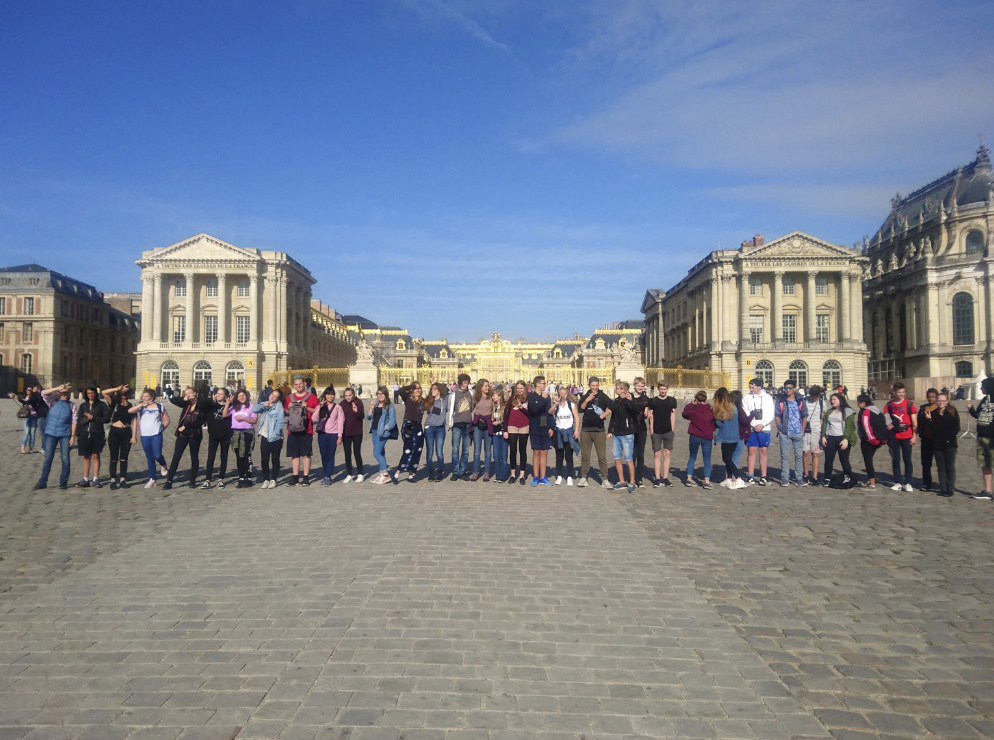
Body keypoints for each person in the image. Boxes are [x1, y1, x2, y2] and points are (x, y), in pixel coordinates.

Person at [32, 383, 77, 491]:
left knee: (65, 458)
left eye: (67, 393)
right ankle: (43, 482)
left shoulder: (72, 405)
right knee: (48, 458)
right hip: (51, 433)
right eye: (63, 393)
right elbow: (43, 393)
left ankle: (63, 482)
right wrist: (58, 388)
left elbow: (74, 421)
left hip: (65, 434)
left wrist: (73, 436)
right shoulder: (52, 402)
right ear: (59, 393)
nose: (65, 395)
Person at [164, 386, 206, 489]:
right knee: (176, 457)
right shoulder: (185, 404)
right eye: (186, 394)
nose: (188, 395)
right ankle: (169, 480)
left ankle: (193, 480)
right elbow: (173, 400)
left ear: (195, 393)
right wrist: (184, 399)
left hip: (194, 434)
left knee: (194, 457)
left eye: (189, 393)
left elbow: (199, 422)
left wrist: (186, 426)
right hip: (182, 434)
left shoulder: (201, 405)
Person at [577, 377, 613, 489]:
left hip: (599, 430)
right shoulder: (584, 396)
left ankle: (605, 479)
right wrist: (587, 399)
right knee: (585, 456)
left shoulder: (602, 396)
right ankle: (583, 477)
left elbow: (613, 406)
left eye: (597, 385)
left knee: (602, 456)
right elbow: (580, 409)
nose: (595, 388)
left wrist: (604, 415)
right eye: (593, 386)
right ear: (589, 385)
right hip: (586, 430)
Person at [129, 388, 170, 489]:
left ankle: (163, 463)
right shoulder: (141, 407)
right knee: (149, 458)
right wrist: (140, 405)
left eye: (147, 396)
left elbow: (167, 420)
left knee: (157, 455)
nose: (145, 398)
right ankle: (152, 479)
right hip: (145, 435)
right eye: (143, 396)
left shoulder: (159, 406)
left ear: (152, 397)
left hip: (156, 434)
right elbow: (130, 411)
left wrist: (161, 429)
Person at [284, 375, 319, 486]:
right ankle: (295, 476)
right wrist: (288, 408)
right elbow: (285, 412)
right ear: (294, 385)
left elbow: (317, 412)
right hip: (292, 429)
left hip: (306, 429)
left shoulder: (312, 397)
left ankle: (306, 476)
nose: (298, 386)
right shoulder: (290, 397)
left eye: (300, 383)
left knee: (306, 454)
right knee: (294, 455)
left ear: (304, 383)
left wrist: (307, 407)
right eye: (296, 384)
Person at [101, 384, 138, 490]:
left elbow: (134, 421)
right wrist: (117, 388)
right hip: (114, 432)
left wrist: (134, 436)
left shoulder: (131, 405)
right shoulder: (114, 403)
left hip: (126, 432)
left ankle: (123, 479)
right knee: (113, 458)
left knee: (124, 458)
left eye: (126, 393)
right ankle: (113, 480)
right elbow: (103, 392)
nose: (124, 395)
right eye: (122, 393)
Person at [883, 382, 918, 492]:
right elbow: (885, 417)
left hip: (907, 435)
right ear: (894, 392)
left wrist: (914, 436)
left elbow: (914, 422)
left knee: (907, 460)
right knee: (895, 460)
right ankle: (898, 482)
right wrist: (888, 425)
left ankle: (908, 482)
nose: (902, 394)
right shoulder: (889, 405)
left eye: (903, 392)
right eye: (899, 392)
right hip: (894, 436)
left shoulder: (909, 405)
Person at [774, 381, 808, 487]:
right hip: (785, 432)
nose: (788, 390)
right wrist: (779, 429)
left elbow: (804, 416)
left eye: (790, 388)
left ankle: (799, 478)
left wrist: (802, 430)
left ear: (794, 388)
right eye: (786, 388)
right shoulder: (780, 400)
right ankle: (785, 478)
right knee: (784, 456)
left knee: (798, 456)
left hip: (798, 432)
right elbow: (777, 415)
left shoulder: (800, 400)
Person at [713, 387, 748, 489]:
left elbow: (719, 423)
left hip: (726, 437)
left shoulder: (724, 409)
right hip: (733, 436)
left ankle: (738, 477)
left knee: (727, 459)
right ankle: (728, 479)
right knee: (727, 458)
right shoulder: (733, 407)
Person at [742, 378, 775, 485]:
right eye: (750, 387)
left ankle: (763, 476)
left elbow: (771, 413)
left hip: (764, 428)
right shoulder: (746, 398)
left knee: (763, 451)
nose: (751, 389)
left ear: (759, 387)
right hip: (751, 428)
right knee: (751, 451)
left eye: (753, 387)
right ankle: (750, 475)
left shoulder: (768, 398)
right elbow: (745, 412)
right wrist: (753, 424)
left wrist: (762, 424)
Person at [608, 380, 638, 492]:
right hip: (616, 433)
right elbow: (613, 416)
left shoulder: (630, 400)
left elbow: (636, 412)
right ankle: (621, 481)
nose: (616, 389)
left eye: (618, 388)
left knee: (629, 459)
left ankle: (632, 482)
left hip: (627, 433)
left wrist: (630, 401)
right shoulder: (616, 401)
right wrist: (610, 430)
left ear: (623, 390)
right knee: (617, 458)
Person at [76, 386, 110, 488]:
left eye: (93, 393)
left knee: (96, 455)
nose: (91, 395)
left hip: (97, 433)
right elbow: (79, 421)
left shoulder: (101, 405)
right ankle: (85, 479)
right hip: (85, 434)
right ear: (86, 394)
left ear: (96, 393)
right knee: (86, 456)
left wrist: (93, 418)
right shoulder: (83, 406)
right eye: (89, 393)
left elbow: (107, 419)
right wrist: (78, 434)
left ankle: (96, 478)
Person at [820, 393, 856, 486]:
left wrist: (846, 439)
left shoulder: (848, 411)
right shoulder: (829, 411)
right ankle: (827, 478)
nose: (832, 401)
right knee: (828, 459)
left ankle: (848, 476)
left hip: (842, 437)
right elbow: (825, 424)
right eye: (831, 400)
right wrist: (823, 436)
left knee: (844, 459)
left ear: (840, 400)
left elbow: (849, 427)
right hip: (831, 437)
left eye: (834, 399)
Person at [967, 377, 994, 500]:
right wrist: (971, 409)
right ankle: (988, 491)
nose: (981, 388)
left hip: (992, 437)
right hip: (982, 437)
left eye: (982, 386)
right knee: (985, 464)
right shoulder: (984, 399)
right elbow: (978, 415)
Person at [253, 388, 285, 488]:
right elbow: (254, 409)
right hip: (264, 436)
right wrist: (264, 404)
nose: (272, 397)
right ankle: (266, 479)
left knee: (275, 458)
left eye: (275, 396)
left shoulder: (279, 407)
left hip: (276, 437)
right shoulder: (265, 404)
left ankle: (273, 479)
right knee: (264, 459)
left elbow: (280, 422)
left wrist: (275, 435)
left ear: (278, 399)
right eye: (272, 394)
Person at [647, 381, 677, 488]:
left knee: (667, 454)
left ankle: (665, 477)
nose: (663, 391)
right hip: (656, 431)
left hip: (668, 431)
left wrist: (672, 429)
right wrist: (651, 430)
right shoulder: (653, 401)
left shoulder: (671, 400)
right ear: (658, 389)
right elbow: (651, 416)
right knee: (657, 455)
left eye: (664, 389)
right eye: (661, 389)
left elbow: (673, 415)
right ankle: (657, 478)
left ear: (667, 389)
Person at [928, 393, 959, 497]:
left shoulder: (952, 412)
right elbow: (933, 429)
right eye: (939, 400)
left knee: (950, 466)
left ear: (947, 401)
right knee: (941, 467)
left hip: (950, 445)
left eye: (943, 400)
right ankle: (943, 488)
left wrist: (948, 439)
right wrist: (930, 420)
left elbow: (956, 428)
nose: (941, 402)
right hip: (937, 445)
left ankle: (950, 488)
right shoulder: (934, 413)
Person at [394, 382, 426, 483]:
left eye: (419, 388)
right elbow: (401, 390)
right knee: (408, 449)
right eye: (415, 389)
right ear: (412, 390)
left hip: (418, 426)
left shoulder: (423, 401)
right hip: (408, 425)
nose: (417, 390)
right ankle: (397, 474)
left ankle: (411, 475)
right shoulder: (407, 398)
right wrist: (411, 386)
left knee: (417, 449)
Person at [682, 389, 715, 489]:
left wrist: (691, 404)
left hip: (695, 435)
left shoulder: (693, 409)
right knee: (707, 459)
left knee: (692, 456)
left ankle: (689, 478)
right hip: (707, 436)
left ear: (696, 399)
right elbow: (715, 421)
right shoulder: (710, 409)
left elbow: (684, 414)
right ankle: (706, 480)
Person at [200, 387, 232, 489]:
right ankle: (207, 479)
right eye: (217, 393)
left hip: (225, 435)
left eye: (221, 394)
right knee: (210, 457)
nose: (218, 395)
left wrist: (228, 403)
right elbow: (201, 404)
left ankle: (221, 479)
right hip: (213, 435)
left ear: (226, 396)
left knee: (224, 457)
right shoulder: (211, 405)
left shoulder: (230, 406)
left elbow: (228, 417)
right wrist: (211, 399)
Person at [312, 386, 343, 486]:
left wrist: (340, 436)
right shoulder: (321, 407)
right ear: (325, 395)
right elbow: (314, 419)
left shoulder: (338, 407)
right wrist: (319, 407)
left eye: (332, 394)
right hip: (322, 434)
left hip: (333, 434)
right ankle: (326, 474)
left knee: (330, 455)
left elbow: (340, 422)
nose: (330, 396)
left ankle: (327, 476)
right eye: (328, 394)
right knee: (323, 455)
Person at [856, 394, 888, 488]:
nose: (858, 404)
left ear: (864, 403)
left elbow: (866, 427)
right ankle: (870, 479)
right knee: (869, 459)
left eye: (859, 402)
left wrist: (872, 439)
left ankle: (872, 482)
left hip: (869, 440)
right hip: (879, 439)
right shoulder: (876, 410)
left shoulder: (865, 412)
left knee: (868, 460)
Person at [527, 376, 554, 486]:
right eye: (543, 383)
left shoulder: (546, 397)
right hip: (535, 426)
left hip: (545, 426)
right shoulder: (531, 396)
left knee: (544, 452)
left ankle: (543, 477)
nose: (545, 385)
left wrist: (552, 427)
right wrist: (543, 399)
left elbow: (549, 413)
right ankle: (536, 477)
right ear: (537, 384)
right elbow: (533, 409)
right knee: (536, 452)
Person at [368, 386, 397, 484]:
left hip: (382, 432)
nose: (380, 396)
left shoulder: (390, 406)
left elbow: (392, 420)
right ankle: (381, 474)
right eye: (378, 394)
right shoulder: (376, 404)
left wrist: (386, 427)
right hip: (374, 431)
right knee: (381, 453)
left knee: (376, 453)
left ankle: (385, 474)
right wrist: (371, 408)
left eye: (382, 394)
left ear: (386, 395)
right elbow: (368, 417)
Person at [447, 374, 473, 481]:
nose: (464, 384)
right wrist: (450, 423)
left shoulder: (471, 393)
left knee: (466, 451)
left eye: (466, 382)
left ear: (468, 383)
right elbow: (451, 410)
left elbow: (472, 407)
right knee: (455, 450)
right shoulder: (454, 395)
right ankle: (455, 471)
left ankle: (463, 471)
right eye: (462, 382)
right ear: (459, 383)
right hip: (457, 425)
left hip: (468, 425)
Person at [551, 385, 579, 486]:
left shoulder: (571, 405)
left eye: (564, 393)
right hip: (558, 431)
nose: (562, 395)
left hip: (569, 432)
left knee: (569, 456)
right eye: (561, 393)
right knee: (559, 456)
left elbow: (577, 418)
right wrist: (555, 404)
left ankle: (570, 476)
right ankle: (559, 475)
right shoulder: (556, 405)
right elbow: (550, 413)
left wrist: (576, 430)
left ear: (567, 395)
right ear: (558, 395)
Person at [504, 380, 531, 485]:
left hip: (524, 426)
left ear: (524, 388)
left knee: (522, 450)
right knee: (513, 450)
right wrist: (505, 429)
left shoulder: (528, 398)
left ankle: (522, 475)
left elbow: (530, 414)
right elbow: (506, 414)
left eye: (521, 388)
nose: (519, 390)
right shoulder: (512, 398)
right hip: (512, 426)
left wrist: (521, 407)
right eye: (518, 388)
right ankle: (513, 474)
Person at [229, 389, 257, 488]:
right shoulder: (234, 407)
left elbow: (254, 420)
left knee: (247, 455)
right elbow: (224, 415)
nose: (241, 397)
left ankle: (248, 478)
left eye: (243, 395)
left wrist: (244, 418)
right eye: (239, 396)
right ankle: (241, 477)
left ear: (247, 396)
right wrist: (228, 403)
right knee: (239, 456)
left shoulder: (252, 407)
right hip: (236, 433)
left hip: (248, 433)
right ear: (237, 397)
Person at [423, 382, 450, 481]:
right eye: (432, 389)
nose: (432, 391)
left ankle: (440, 471)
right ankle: (430, 471)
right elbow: (419, 409)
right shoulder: (428, 400)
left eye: (435, 389)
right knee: (429, 451)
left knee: (439, 451)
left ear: (439, 390)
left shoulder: (445, 400)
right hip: (429, 427)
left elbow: (453, 393)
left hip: (440, 428)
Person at [339, 387, 366, 483]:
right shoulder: (342, 404)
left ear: (353, 394)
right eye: (346, 395)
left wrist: (357, 411)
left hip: (357, 431)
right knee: (347, 454)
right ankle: (349, 474)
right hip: (346, 432)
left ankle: (360, 473)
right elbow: (339, 419)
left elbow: (362, 416)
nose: (348, 397)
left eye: (350, 395)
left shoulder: (358, 402)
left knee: (357, 452)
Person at [470, 379, 494, 481]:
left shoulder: (491, 397)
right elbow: (470, 409)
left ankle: (486, 473)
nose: (487, 388)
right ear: (480, 387)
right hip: (477, 425)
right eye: (485, 386)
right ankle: (475, 472)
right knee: (477, 450)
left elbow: (496, 409)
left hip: (488, 424)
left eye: (488, 386)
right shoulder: (476, 397)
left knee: (488, 451)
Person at [916, 388, 939, 492]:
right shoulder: (922, 408)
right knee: (925, 463)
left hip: (937, 440)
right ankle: (926, 483)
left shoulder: (940, 408)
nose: (931, 399)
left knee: (940, 463)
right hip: (925, 439)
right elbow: (918, 422)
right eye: (929, 396)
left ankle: (943, 484)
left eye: (933, 397)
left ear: (937, 397)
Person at [11, 386, 45, 454]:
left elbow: (28, 402)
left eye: (29, 390)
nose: (27, 391)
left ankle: (31, 448)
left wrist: (18, 398)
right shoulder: (26, 397)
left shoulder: (35, 398)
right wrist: (17, 398)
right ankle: (22, 448)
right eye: (27, 389)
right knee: (26, 433)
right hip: (26, 416)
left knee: (32, 433)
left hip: (34, 416)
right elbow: (25, 402)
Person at [803, 386, 825, 485]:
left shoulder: (821, 403)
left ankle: (815, 476)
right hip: (805, 430)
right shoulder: (804, 401)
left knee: (815, 453)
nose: (813, 398)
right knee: (805, 453)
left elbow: (823, 418)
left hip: (816, 431)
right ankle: (806, 474)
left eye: (815, 397)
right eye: (812, 396)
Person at [630, 377, 649, 487]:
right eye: (638, 386)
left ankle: (639, 478)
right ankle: (632, 477)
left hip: (641, 428)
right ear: (634, 386)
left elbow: (649, 408)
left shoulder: (646, 398)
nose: (640, 388)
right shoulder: (630, 397)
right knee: (632, 454)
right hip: (630, 428)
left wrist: (647, 408)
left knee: (640, 454)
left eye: (642, 386)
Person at [490, 385, 510, 482]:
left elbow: (508, 420)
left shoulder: (505, 407)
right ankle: (498, 475)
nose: (493, 397)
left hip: (503, 433)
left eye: (494, 395)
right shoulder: (493, 407)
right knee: (496, 456)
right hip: (495, 434)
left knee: (504, 456)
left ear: (499, 396)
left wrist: (500, 422)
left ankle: (502, 475)